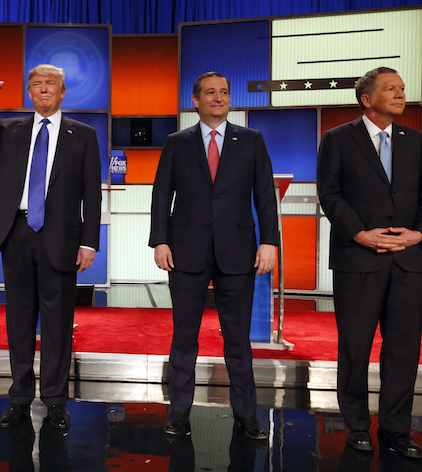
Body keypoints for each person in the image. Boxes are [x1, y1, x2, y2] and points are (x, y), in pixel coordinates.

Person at [0, 62, 101, 430]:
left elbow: (91, 189)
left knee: (58, 323)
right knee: (19, 320)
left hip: (61, 238)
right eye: (36, 84)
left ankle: (56, 401)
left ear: (62, 92)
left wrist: (90, 241)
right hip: (16, 233)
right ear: (29, 91)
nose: (43, 90)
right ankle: (20, 398)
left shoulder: (83, 134)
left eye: (50, 84)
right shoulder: (10, 129)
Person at [317, 67, 422, 459]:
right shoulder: (336, 139)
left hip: (407, 261)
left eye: (402, 88)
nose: (401, 94)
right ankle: (356, 426)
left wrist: (418, 235)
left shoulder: (415, 141)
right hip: (359, 259)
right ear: (367, 99)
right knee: (355, 346)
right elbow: (331, 195)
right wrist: (360, 234)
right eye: (391, 89)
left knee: (403, 348)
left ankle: (396, 429)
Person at [149, 71, 278, 440]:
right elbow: (162, 194)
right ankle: (178, 413)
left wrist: (269, 241)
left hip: (238, 253)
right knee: (184, 337)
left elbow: (264, 195)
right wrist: (160, 240)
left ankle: (247, 415)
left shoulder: (251, 140)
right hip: (185, 252)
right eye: (210, 92)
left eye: (224, 92)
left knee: (237, 339)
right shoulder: (177, 142)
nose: (218, 97)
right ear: (196, 100)